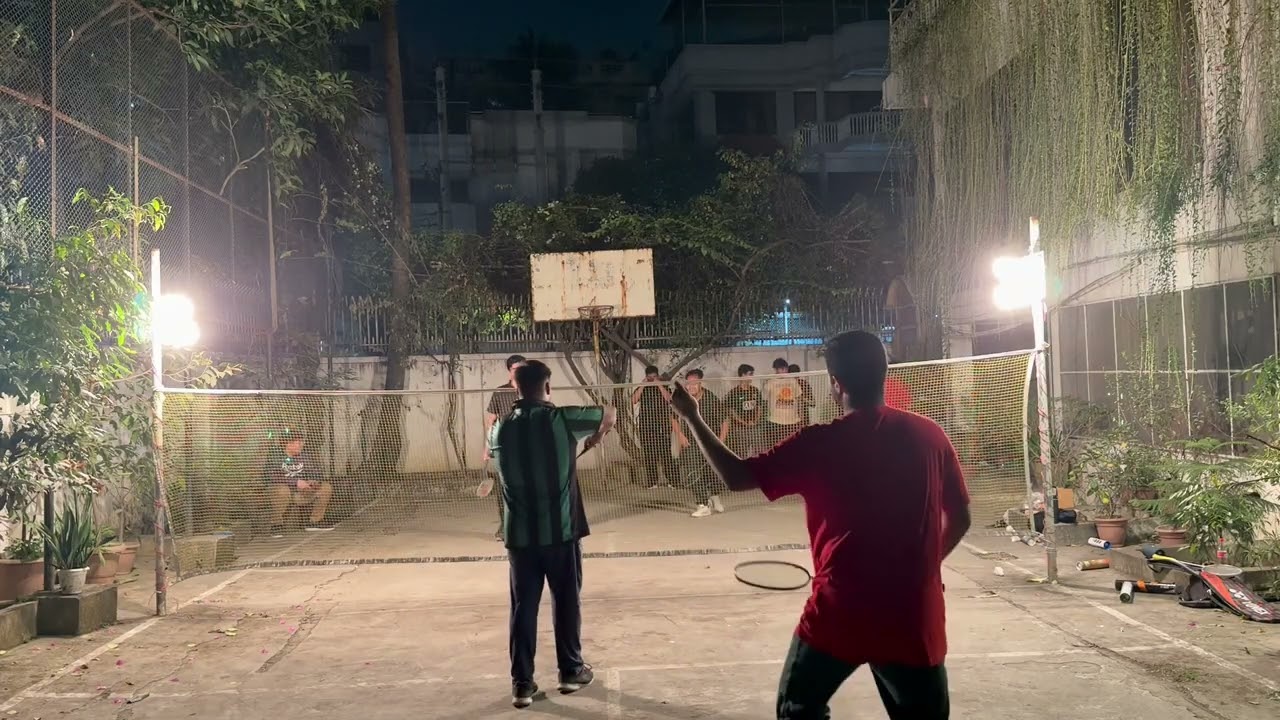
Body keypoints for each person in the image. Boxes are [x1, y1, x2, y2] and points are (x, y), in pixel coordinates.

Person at [670, 330, 970, 719]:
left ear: (835, 384)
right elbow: (961, 518)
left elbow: (736, 476)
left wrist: (692, 415)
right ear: (884, 374)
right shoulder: (930, 436)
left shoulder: (819, 443)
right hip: (914, 613)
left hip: (840, 609)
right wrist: (927, 566)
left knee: (798, 707)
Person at [489, 360, 617, 709]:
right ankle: (570, 671)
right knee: (566, 600)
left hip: (520, 538)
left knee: (522, 608)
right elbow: (610, 412)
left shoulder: (499, 429)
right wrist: (597, 435)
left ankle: (522, 684)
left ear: (515, 386)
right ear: (548, 385)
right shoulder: (562, 419)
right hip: (559, 532)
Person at [670, 368, 730, 517]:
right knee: (692, 472)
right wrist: (680, 436)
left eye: (694, 383)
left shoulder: (711, 399)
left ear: (701, 383)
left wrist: (721, 441)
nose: (691, 387)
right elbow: (673, 418)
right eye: (688, 384)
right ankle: (703, 504)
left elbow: (725, 420)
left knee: (712, 473)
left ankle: (715, 497)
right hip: (691, 443)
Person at [484, 354, 526, 541]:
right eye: (516, 369)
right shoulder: (501, 392)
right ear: (509, 371)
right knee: (505, 490)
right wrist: (487, 447)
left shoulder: (534, 391)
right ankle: (505, 527)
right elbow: (491, 421)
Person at [263, 429, 335, 537]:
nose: (301, 445)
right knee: (282, 490)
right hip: (280, 493)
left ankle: (315, 521)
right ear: (288, 443)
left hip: (301, 493)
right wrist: (295, 482)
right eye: (298, 442)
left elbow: (316, 472)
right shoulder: (275, 456)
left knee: (325, 487)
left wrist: (313, 481)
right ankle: (276, 525)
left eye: (301, 442)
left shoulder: (304, 456)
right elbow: (271, 476)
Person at [631, 365, 677, 489]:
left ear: (658, 376)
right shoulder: (643, 388)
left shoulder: (664, 385)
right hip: (646, 425)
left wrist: (659, 385)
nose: (652, 379)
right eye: (649, 377)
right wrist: (642, 385)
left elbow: (669, 399)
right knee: (649, 454)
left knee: (666, 454)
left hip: (662, 425)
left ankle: (672, 481)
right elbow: (633, 400)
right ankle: (652, 482)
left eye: (654, 377)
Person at [762, 358, 803, 449]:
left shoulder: (793, 381)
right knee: (776, 446)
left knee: (791, 446)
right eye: (777, 369)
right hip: (776, 420)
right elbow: (764, 397)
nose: (778, 371)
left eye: (781, 369)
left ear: (786, 369)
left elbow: (799, 398)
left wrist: (801, 415)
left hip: (792, 420)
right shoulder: (771, 381)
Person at [724, 364, 763, 457]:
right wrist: (744, 422)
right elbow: (731, 412)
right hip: (740, 429)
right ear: (742, 375)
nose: (752, 376)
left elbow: (759, 407)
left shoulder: (755, 390)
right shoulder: (734, 393)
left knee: (758, 452)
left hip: (754, 428)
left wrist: (755, 421)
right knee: (742, 454)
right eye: (750, 374)